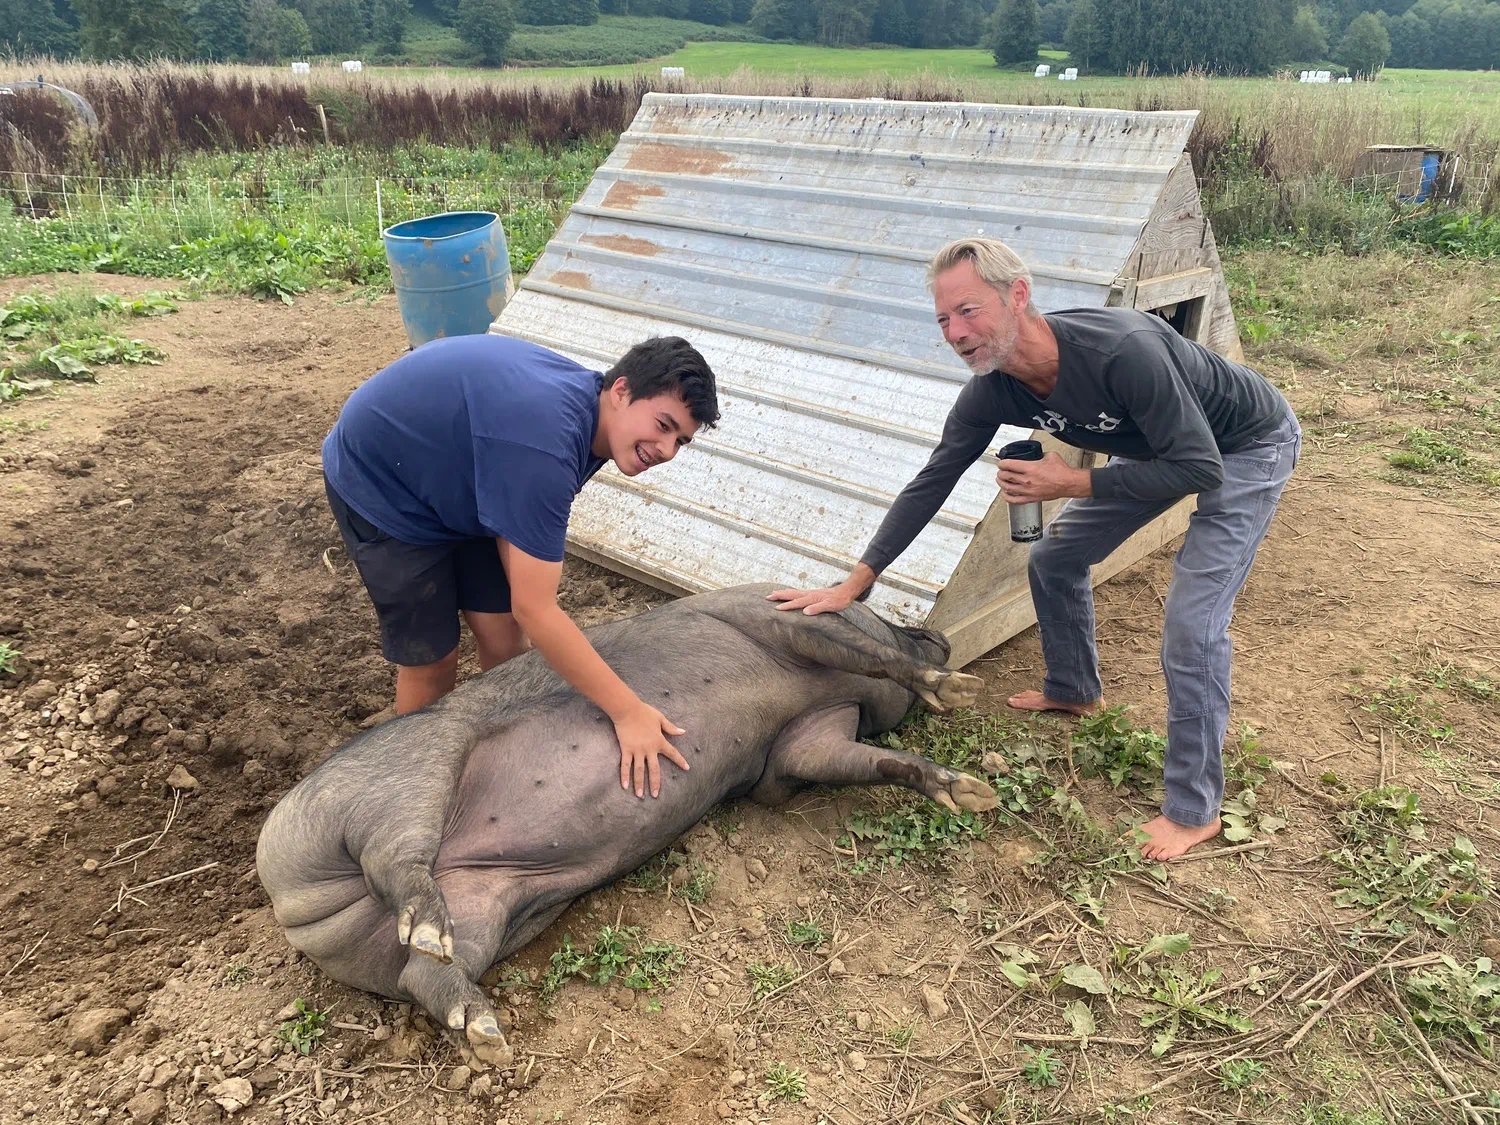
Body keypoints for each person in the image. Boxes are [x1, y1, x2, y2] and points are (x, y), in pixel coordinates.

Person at [769, 238, 1300, 859]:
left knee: (1192, 624)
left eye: (968, 311)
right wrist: (856, 581)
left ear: (1017, 295)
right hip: (1162, 452)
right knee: (1054, 558)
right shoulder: (995, 388)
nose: (955, 332)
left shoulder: (1123, 352)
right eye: (943, 319)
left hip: (1242, 447)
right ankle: (1075, 688)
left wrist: (1072, 481)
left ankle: (1194, 808)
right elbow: (933, 479)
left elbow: (1201, 469)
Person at [322, 332, 720, 799]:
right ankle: (403, 791)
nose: (667, 449)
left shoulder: (592, 421)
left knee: (504, 632)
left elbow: (523, 603)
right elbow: (539, 609)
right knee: (434, 660)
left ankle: (502, 748)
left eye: (681, 441)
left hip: (463, 473)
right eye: (663, 424)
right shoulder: (544, 446)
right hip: (384, 484)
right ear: (621, 391)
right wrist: (629, 712)